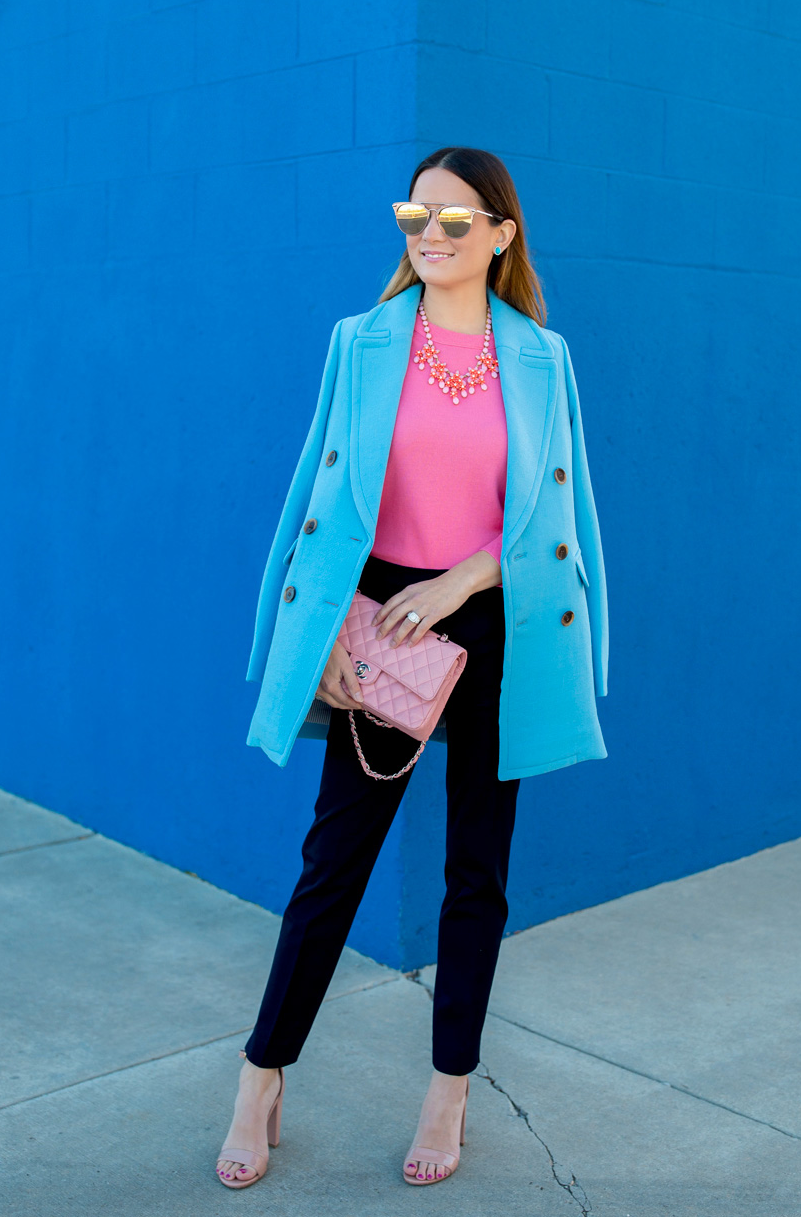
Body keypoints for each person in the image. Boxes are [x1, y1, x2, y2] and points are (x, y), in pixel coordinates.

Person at [216, 146, 609, 1189]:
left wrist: (463, 582)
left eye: (452, 219)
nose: (428, 235)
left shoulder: (540, 355)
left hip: (498, 620)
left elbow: (549, 517)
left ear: (499, 236)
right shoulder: (362, 342)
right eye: (413, 216)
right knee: (332, 863)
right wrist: (329, 645)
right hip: (384, 625)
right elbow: (322, 503)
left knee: (475, 874)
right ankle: (261, 1075)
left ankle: (450, 1090)